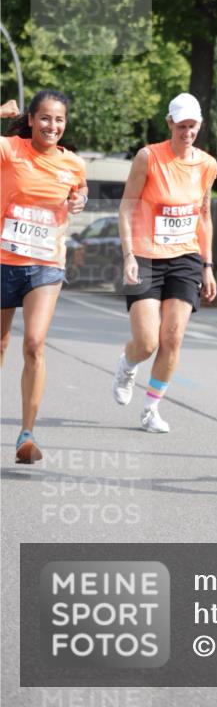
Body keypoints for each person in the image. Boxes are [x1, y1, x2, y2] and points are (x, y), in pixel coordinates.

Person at [112, 93, 217, 432]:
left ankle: (150, 410)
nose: (187, 132)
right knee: (147, 342)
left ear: (200, 125)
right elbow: (126, 207)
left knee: (172, 338)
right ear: (170, 123)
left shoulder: (207, 165)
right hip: (145, 256)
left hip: (185, 258)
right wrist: (128, 255)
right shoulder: (149, 157)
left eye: (193, 126)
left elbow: (204, 216)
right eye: (181, 126)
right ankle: (128, 364)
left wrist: (208, 265)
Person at [0, 92, 88, 464]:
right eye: (46, 118)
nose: (53, 126)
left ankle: (27, 434)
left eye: (59, 119)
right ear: (32, 120)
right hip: (4, 260)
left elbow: (79, 189)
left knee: (34, 344)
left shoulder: (73, 163)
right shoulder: (9, 150)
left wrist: (81, 199)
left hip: (45, 264)